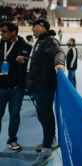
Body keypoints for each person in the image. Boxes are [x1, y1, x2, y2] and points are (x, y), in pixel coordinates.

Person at [27, 19, 65, 166]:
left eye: (34, 26)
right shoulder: (40, 41)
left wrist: (59, 63)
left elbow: (58, 52)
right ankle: (50, 140)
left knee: (45, 116)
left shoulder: (49, 40)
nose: (32, 29)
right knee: (43, 116)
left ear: (42, 27)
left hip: (44, 86)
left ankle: (47, 150)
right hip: (37, 85)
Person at [0, 22, 31, 152]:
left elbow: (29, 63)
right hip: (0, 87)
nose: (1, 34)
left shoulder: (25, 46)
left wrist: (22, 83)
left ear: (13, 32)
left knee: (14, 115)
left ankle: (12, 140)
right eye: (1, 31)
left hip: (16, 88)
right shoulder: (0, 45)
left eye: (4, 31)